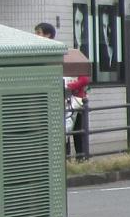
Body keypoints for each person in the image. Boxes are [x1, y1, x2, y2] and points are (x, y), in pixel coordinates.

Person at [36, 22, 91, 159]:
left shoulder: (63, 53)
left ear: (48, 35)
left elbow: (84, 78)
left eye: (38, 32)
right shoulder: (38, 52)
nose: (35, 35)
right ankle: (65, 159)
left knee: (75, 130)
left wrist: (67, 87)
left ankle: (80, 158)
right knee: (61, 132)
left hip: (73, 100)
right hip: (55, 99)